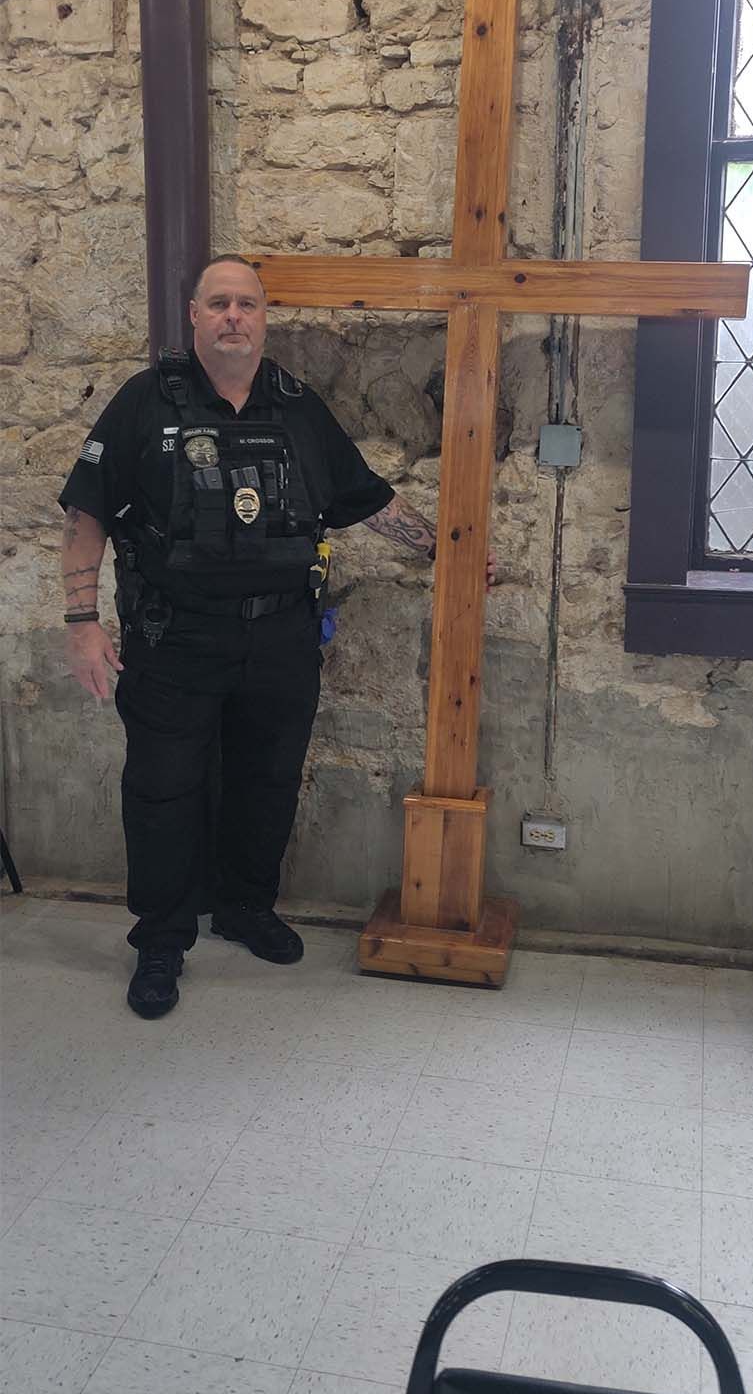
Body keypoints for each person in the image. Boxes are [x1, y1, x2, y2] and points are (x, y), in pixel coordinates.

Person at [59, 255, 496, 1019]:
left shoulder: (297, 406)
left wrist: (445, 549)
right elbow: (86, 511)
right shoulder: (144, 402)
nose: (234, 316)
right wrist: (80, 623)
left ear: (265, 318)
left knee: (267, 780)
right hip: (174, 641)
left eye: (248, 305)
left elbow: (364, 499)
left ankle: (246, 907)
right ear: (192, 316)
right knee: (162, 791)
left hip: (281, 638)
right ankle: (161, 939)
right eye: (219, 303)